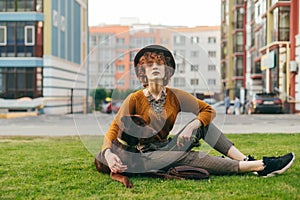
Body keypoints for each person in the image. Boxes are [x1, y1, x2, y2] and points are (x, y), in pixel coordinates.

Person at [96, 44, 295, 178]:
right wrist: (107, 154)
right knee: (185, 156)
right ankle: (260, 166)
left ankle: (245, 160)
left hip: (168, 145)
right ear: (142, 72)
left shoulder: (176, 96)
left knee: (204, 124)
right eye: (149, 64)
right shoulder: (135, 98)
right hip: (147, 155)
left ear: (167, 71)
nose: (154, 67)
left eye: (160, 63)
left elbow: (208, 110)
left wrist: (194, 123)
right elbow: (114, 127)